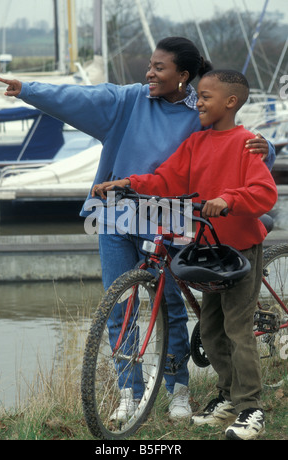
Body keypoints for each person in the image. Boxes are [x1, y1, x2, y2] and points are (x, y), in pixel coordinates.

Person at [0, 38, 276, 422]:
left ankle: (178, 388)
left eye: (160, 68)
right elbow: (79, 97)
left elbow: (242, 145)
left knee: (170, 306)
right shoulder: (130, 99)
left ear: (183, 75)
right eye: (150, 65)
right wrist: (29, 90)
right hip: (117, 213)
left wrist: (266, 147)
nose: (149, 73)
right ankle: (129, 391)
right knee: (120, 306)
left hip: (172, 218)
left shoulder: (204, 106)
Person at [93, 69, 278, 440]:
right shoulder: (196, 144)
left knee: (237, 329)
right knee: (209, 330)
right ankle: (226, 395)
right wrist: (129, 183)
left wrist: (229, 199)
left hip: (239, 248)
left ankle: (251, 408)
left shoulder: (245, 144)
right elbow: (166, 178)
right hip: (207, 248)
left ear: (230, 102)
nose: (199, 103)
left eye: (206, 97)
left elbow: (264, 192)